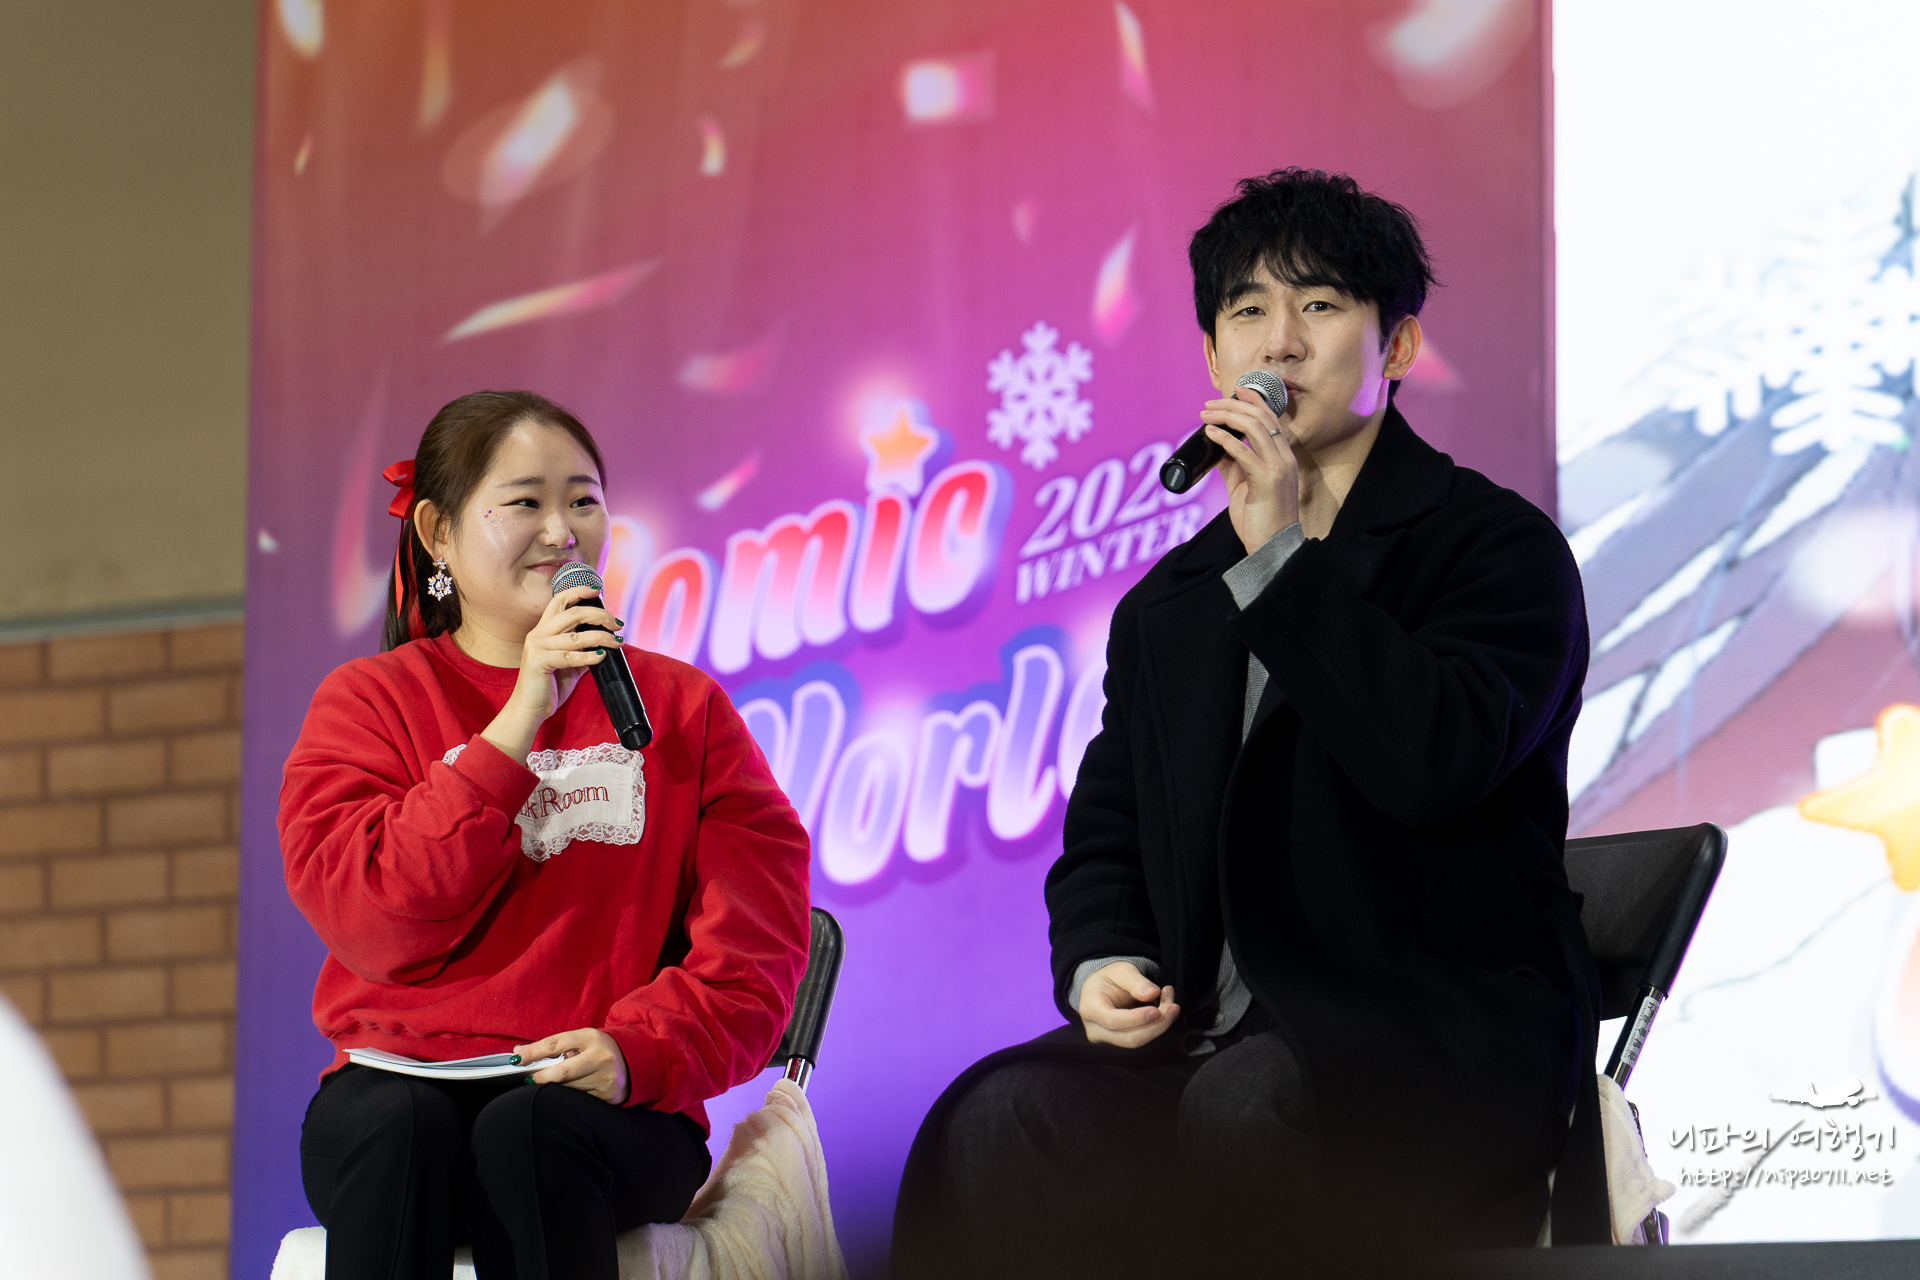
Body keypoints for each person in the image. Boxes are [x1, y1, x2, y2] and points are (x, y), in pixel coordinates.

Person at [891, 170, 1607, 1275]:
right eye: (1248, 311)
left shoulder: (1494, 547)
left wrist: (1280, 559)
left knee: (1246, 1105)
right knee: (1002, 1117)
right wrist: (1099, 955)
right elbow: (1113, 826)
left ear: (1398, 345)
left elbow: (1436, 760)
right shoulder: (1172, 602)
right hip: (1211, 1033)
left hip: (1426, 1026)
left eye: (1320, 305)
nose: (1281, 342)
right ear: (1215, 359)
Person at [280, 390, 811, 1280]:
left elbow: (757, 948)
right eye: (525, 502)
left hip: (597, 1104)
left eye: (584, 501)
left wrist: (640, 1050)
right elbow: (375, 919)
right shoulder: (368, 703)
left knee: (529, 1132)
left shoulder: (683, 709)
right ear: (437, 533)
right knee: (399, 1129)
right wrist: (519, 718)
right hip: (397, 1094)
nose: (563, 532)